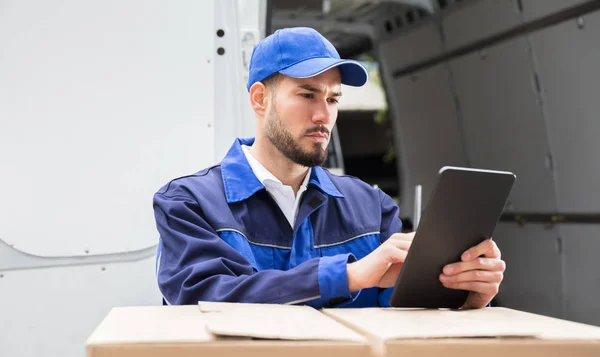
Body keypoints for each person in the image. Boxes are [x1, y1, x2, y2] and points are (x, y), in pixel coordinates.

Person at [153, 27, 505, 308]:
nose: (324, 116)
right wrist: (350, 276)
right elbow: (205, 300)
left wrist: (466, 295)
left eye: (333, 99)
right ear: (260, 99)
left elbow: (406, 318)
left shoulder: (373, 208)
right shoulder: (188, 203)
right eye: (307, 95)